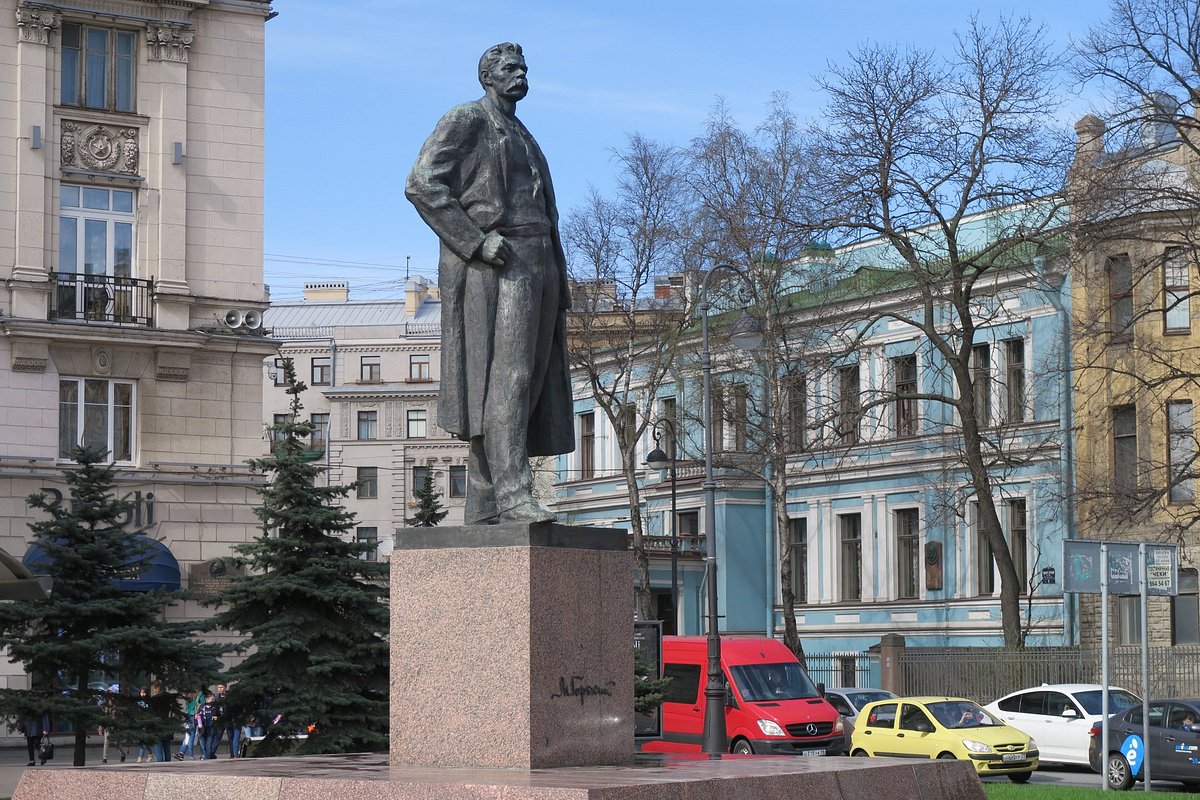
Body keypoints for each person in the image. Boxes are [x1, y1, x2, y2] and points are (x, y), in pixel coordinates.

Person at [407, 42, 574, 525]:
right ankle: (514, 494)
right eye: (508, 68)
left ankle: (483, 506)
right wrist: (475, 242)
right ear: (487, 77)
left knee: (530, 380)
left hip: (539, 260)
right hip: (500, 263)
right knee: (509, 377)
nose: (520, 74)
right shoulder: (468, 119)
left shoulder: (523, 133)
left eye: (523, 67)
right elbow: (421, 183)